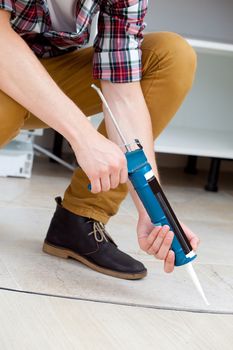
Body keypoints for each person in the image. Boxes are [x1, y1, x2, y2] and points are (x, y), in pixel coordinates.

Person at [0, 0, 199, 280]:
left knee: (170, 56)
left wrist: (155, 211)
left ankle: (81, 218)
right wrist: (83, 135)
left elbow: (122, 91)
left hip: (47, 75)